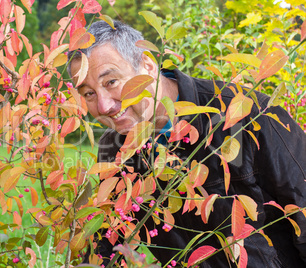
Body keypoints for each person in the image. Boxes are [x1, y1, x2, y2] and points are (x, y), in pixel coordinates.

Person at [67, 20, 306, 267]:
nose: (104, 106)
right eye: (88, 93)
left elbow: (303, 203)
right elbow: (109, 237)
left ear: (147, 65)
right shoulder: (115, 149)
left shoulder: (247, 114)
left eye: (111, 82)